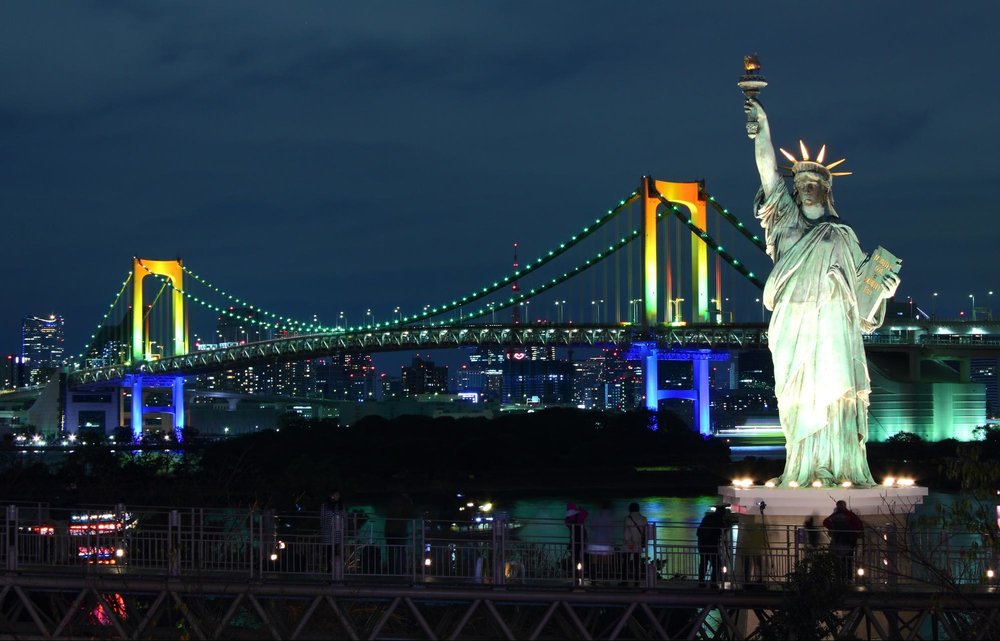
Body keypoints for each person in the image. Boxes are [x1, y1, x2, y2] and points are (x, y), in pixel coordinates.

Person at [744, 96, 900, 488]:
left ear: (826, 190)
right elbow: (767, 172)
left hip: (834, 326)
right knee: (797, 396)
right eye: (801, 184)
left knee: (835, 394)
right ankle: (802, 465)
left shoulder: (843, 235)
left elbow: (863, 298)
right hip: (794, 323)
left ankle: (840, 465)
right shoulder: (784, 222)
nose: (807, 188)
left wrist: (885, 290)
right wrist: (762, 128)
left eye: (814, 183)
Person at [823, 500, 864, 581]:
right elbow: (858, 525)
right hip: (848, 543)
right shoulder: (850, 515)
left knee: (838, 563)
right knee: (847, 562)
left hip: (837, 543)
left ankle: (838, 579)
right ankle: (847, 579)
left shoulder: (836, 516)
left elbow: (825, 522)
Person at [696, 505, 729, 587]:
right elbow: (723, 530)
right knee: (717, 564)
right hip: (711, 545)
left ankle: (701, 582)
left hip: (702, 544)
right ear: (722, 513)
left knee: (703, 563)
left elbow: (699, 531)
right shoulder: (718, 520)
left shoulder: (708, 518)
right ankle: (713, 583)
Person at [621, 502, 648, 586]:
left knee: (626, 562)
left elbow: (626, 533)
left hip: (628, 544)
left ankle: (625, 580)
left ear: (630, 509)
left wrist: (628, 542)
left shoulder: (627, 518)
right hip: (638, 543)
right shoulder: (643, 519)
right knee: (637, 563)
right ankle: (637, 581)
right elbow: (645, 532)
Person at [320, 490, 345, 575]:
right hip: (327, 531)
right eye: (336, 494)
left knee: (336, 550)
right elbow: (322, 518)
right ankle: (329, 567)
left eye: (338, 495)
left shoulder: (341, 505)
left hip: (337, 532)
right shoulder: (325, 505)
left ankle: (335, 568)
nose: (337, 496)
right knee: (328, 550)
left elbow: (344, 517)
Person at [564, 502, 589, 584]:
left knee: (575, 557)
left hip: (573, 539)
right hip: (582, 538)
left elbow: (567, 525)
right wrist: (579, 510)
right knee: (583, 556)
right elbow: (586, 513)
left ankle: (575, 574)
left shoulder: (567, 518)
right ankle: (583, 572)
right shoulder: (580, 515)